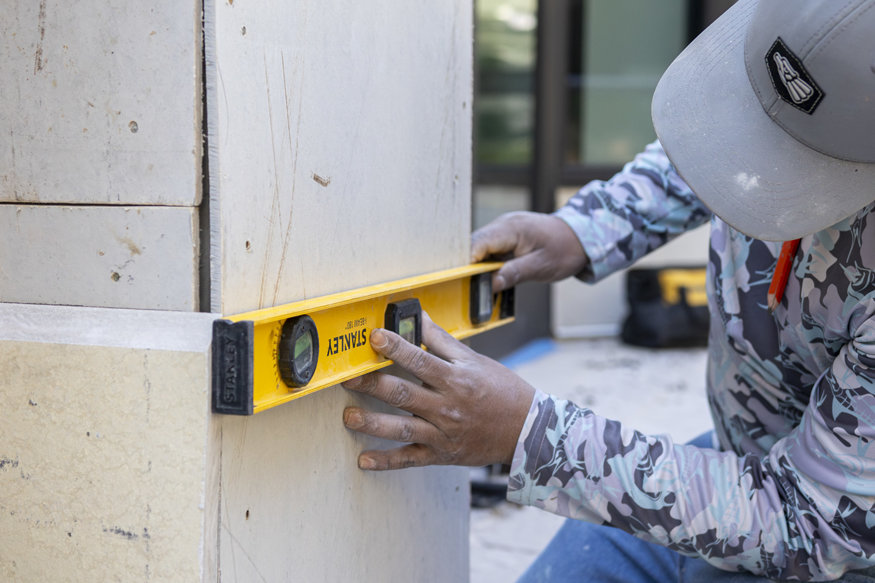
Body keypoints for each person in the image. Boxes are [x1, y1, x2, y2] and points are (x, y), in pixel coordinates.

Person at [341, 0, 875, 580]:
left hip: (812, 530)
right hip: (740, 454)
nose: (764, 161)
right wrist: (589, 228)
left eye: (802, 162)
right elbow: (736, 145)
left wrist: (532, 436)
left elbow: (812, 521)